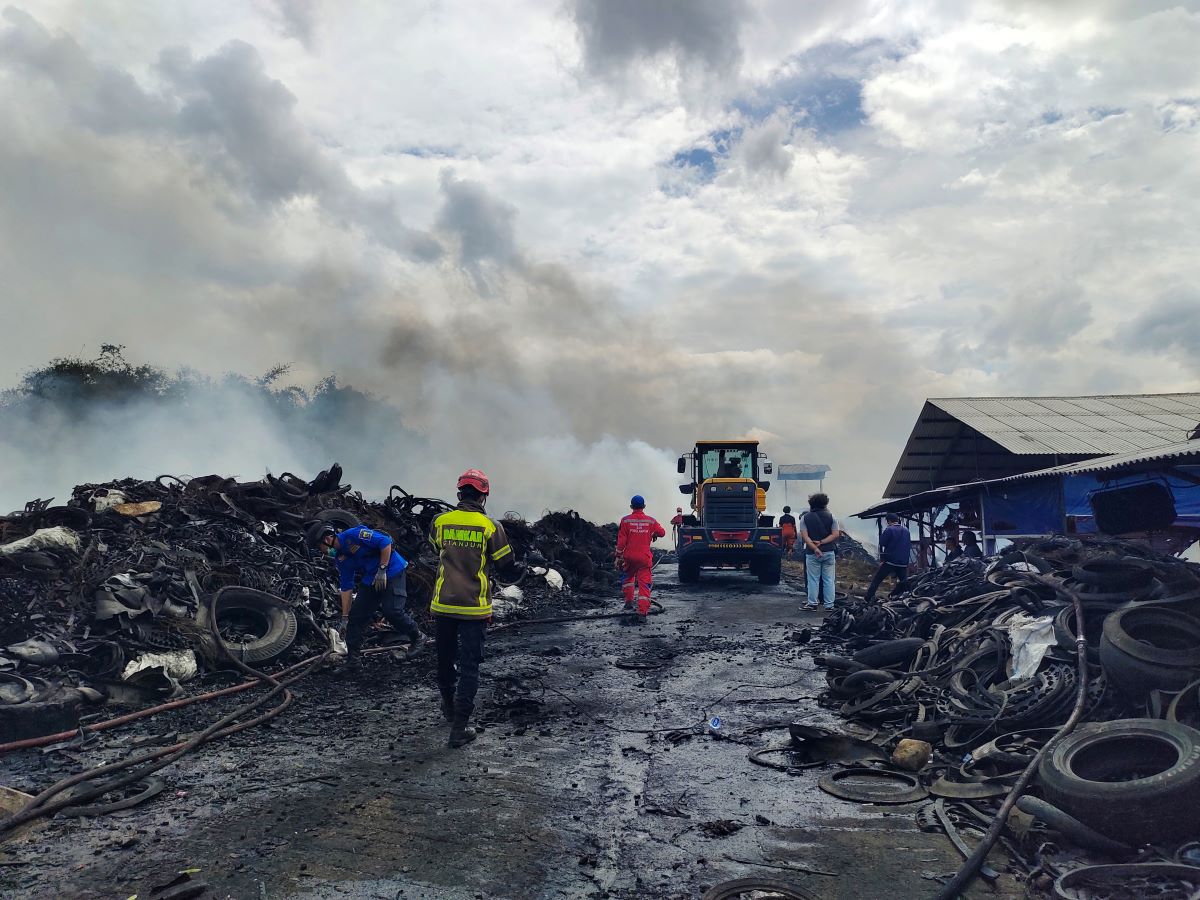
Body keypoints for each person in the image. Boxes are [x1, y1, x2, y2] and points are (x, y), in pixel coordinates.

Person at [429, 468, 521, 748]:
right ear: (483, 497)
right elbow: (506, 565)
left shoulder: (440, 521)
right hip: (474, 607)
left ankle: (447, 706)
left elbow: (436, 549)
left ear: (459, 494)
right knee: (470, 666)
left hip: (443, 604)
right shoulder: (491, 526)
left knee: (445, 658)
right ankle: (459, 728)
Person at [309, 523, 426, 667]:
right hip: (371, 577)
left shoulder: (354, 535)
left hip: (392, 570)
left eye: (319, 547)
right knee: (356, 616)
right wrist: (345, 617)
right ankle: (353, 660)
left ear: (326, 540)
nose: (321, 552)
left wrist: (382, 569)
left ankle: (418, 637)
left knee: (392, 610)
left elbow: (385, 542)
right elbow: (346, 587)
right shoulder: (340, 559)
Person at [616, 495, 666, 624]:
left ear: (631, 507)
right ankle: (642, 614)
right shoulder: (651, 521)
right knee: (644, 584)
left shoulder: (625, 520)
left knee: (628, 579)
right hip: (644, 558)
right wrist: (653, 533)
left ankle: (628, 603)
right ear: (644, 507)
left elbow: (622, 541)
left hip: (629, 557)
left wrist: (618, 555)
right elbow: (662, 532)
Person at [800, 492, 840, 611]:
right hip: (829, 552)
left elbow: (805, 537)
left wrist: (815, 548)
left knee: (813, 579)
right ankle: (829, 605)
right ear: (825, 504)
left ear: (811, 504)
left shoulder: (805, 518)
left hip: (812, 553)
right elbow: (835, 534)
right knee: (829, 579)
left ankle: (812, 603)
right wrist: (822, 542)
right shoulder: (832, 516)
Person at [864, 514, 911, 602]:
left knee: (877, 579)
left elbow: (882, 542)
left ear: (889, 521)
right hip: (903, 562)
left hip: (891, 561)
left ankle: (868, 597)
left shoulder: (889, 529)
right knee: (904, 582)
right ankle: (908, 599)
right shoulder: (906, 530)